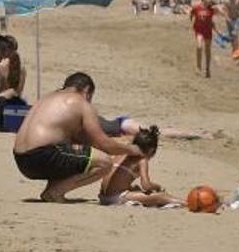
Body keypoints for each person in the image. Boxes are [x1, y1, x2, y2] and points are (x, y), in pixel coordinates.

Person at [13, 72, 145, 203]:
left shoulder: (47, 98)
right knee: (104, 163)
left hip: (21, 160)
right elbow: (104, 144)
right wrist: (133, 149)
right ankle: (55, 192)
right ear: (87, 90)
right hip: (42, 155)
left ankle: (53, 189)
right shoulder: (81, 102)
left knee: (73, 154)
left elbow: (79, 142)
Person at [98, 126, 183, 207]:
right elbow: (146, 185)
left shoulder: (124, 153)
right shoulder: (142, 160)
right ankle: (187, 203)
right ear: (151, 150)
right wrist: (158, 187)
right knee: (160, 196)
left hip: (103, 196)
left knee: (135, 189)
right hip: (114, 198)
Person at [190, 0, 219, 78]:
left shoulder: (211, 9)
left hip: (208, 31)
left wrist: (218, 31)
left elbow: (213, 22)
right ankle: (198, 67)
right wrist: (192, 24)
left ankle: (207, 69)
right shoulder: (197, 8)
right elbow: (191, 15)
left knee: (207, 50)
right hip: (199, 31)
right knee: (199, 46)